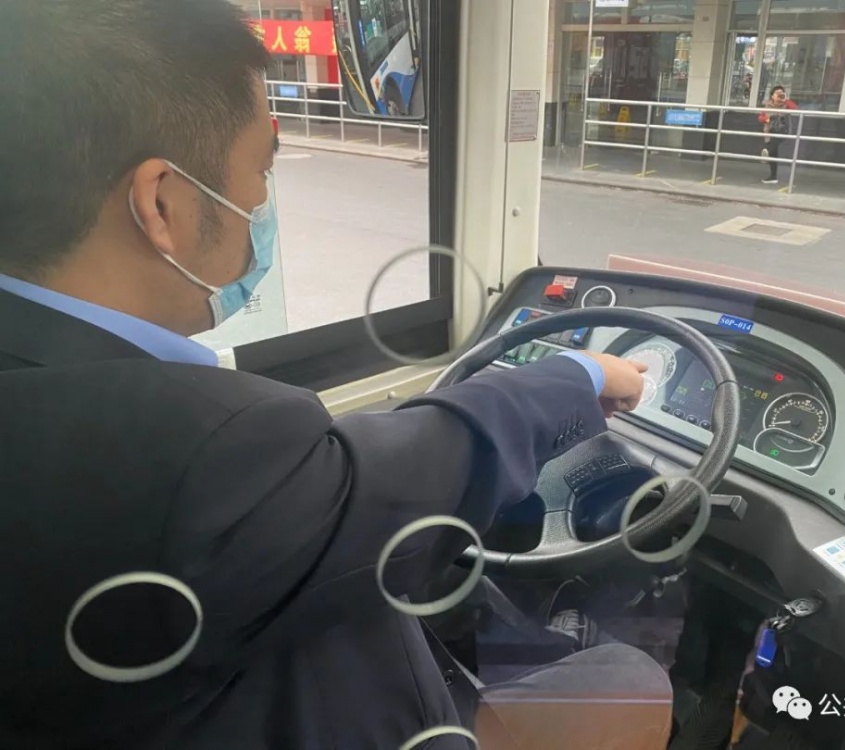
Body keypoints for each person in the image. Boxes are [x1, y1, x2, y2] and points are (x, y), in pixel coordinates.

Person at [0, 2, 671, 749]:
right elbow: (397, 477)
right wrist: (579, 375)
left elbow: (338, 492)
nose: (261, 203)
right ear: (163, 204)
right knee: (633, 676)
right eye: (260, 170)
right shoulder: (195, 447)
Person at [758, 85, 798, 185]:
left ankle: (767, 152)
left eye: (781, 93)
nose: (780, 95)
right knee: (773, 154)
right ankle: (773, 176)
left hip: (782, 131)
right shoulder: (767, 105)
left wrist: (785, 100)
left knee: (771, 148)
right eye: (777, 93)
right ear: (772, 96)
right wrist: (766, 119)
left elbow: (795, 108)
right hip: (770, 131)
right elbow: (761, 117)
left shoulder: (786, 104)